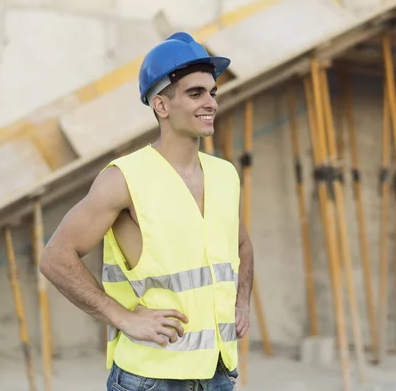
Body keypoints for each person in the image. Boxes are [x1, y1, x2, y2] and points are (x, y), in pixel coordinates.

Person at [39, 32, 253, 391]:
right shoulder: (124, 178)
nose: (211, 103)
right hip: (149, 378)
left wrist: (241, 301)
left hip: (218, 374)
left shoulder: (224, 175)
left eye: (212, 92)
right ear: (161, 105)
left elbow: (242, 248)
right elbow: (55, 257)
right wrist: (122, 317)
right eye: (195, 93)